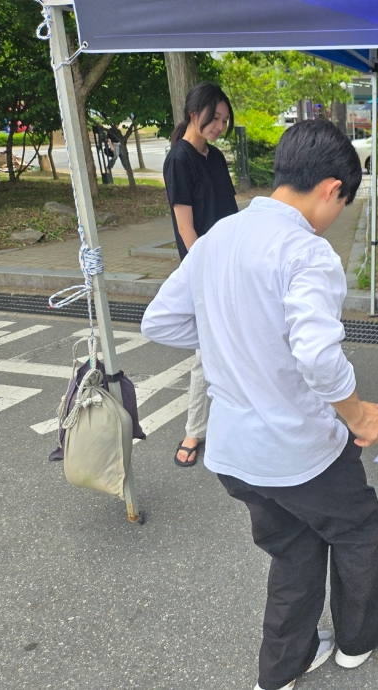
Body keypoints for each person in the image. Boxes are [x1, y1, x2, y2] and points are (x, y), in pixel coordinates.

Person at [141, 118, 378, 690]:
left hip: (236, 455)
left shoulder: (218, 238)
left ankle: (285, 665)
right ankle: (359, 639)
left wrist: (236, 340)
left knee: (294, 546)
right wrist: (357, 414)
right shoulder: (307, 253)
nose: (337, 217)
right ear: (333, 188)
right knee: (356, 528)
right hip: (298, 449)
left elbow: (158, 321)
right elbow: (318, 357)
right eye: (343, 203)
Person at [163, 82, 239, 467]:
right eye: (215, 118)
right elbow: (186, 229)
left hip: (229, 265)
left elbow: (229, 214)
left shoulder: (215, 157)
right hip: (203, 270)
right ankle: (194, 429)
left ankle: (233, 413)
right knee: (204, 352)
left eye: (225, 121)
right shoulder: (180, 159)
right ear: (195, 113)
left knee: (234, 342)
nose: (220, 126)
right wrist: (209, 273)